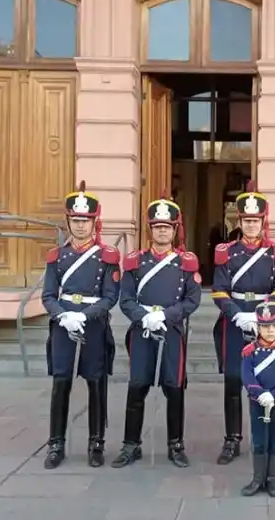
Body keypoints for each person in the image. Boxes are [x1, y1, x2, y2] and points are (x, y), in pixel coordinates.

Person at [112, 194, 201, 469]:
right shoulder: (135, 262)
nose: (162, 230)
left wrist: (166, 315)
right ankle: (131, 444)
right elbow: (125, 299)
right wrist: (143, 317)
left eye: (167, 226)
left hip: (171, 332)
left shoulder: (186, 262)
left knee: (174, 389)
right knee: (137, 386)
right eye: (157, 225)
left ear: (174, 230)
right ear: (150, 229)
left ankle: (176, 445)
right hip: (143, 333)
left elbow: (192, 299)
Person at [41, 181, 120, 469]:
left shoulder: (107, 257)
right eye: (76, 220)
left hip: (93, 325)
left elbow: (111, 296)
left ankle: (96, 442)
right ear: (68, 222)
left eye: (86, 221)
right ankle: (56, 444)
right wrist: (63, 315)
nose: (81, 226)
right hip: (63, 326)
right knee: (61, 383)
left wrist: (84, 315)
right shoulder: (56, 257)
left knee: (96, 383)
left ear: (94, 222)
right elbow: (48, 295)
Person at [211, 180, 275, 465]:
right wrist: (237, 314)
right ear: (239, 220)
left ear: (263, 221)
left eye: (256, 220)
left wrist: (261, 316)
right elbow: (219, 289)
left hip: (266, 326)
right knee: (233, 381)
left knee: (266, 383)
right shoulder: (226, 252)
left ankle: (266, 437)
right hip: (235, 323)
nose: (251, 225)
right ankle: (232, 439)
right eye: (246, 220)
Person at [239, 301, 275, 498]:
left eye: (274, 326)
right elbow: (247, 376)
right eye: (265, 327)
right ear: (258, 328)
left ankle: (272, 479)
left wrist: (274, 395)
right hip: (257, 404)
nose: (270, 331)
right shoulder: (250, 351)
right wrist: (259, 393)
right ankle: (257, 479)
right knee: (258, 441)